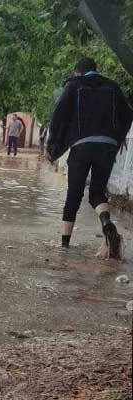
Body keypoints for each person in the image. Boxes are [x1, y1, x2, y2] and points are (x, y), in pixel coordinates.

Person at [47, 57, 133, 258]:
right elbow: (128, 114)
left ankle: (64, 247)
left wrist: (53, 147)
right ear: (97, 69)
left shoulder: (74, 85)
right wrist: (118, 139)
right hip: (107, 147)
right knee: (97, 192)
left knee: (74, 195)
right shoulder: (113, 86)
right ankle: (108, 226)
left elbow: (59, 116)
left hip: (82, 145)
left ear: (77, 72)